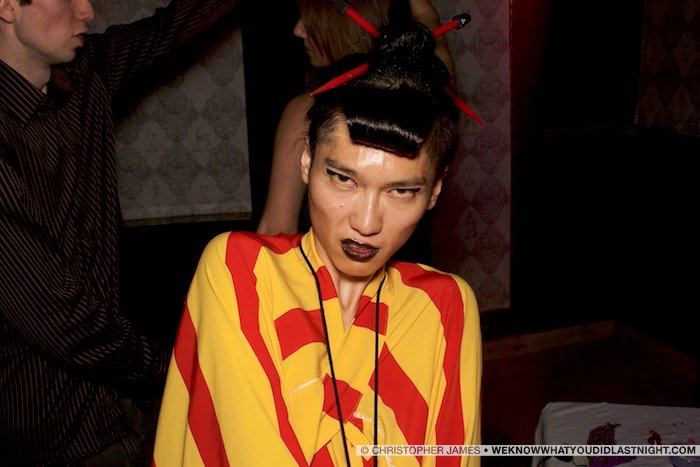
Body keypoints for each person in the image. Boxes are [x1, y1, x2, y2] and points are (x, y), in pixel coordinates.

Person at [153, 20, 481, 466]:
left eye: (401, 191)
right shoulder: (239, 270)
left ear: (435, 192)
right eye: (343, 178)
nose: (366, 223)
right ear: (307, 161)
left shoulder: (444, 306)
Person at [0, 0, 241, 464]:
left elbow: (170, 27)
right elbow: (58, 314)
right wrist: (178, 372)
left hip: (120, 412)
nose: (87, 10)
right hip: (46, 434)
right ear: (8, 6)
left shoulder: (85, 71)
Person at [257, 0, 455, 237]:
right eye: (343, 178)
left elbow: (275, 228)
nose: (298, 30)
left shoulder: (306, 110)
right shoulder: (434, 96)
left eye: (312, 21)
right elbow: (428, 22)